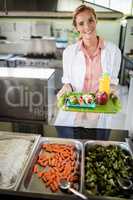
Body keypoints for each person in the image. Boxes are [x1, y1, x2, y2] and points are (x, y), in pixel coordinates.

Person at [55, 4, 121, 138]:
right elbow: (68, 83)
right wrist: (65, 89)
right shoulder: (69, 52)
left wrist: (113, 92)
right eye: (81, 23)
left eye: (90, 20)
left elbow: (112, 83)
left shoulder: (113, 52)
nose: (87, 27)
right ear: (76, 27)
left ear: (96, 20)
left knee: (97, 153)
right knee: (71, 154)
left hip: (99, 117)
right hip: (73, 117)